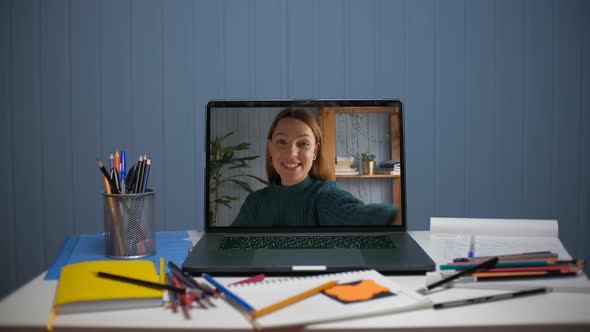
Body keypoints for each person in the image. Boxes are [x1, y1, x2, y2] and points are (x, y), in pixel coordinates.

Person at [231, 108, 397, 227]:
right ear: (270, 149)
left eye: (303, 143)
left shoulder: (323, 195)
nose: (292, 152)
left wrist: (395, 217)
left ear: (315, 151)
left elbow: (357, 214)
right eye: (282, 141)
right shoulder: (254, 203)